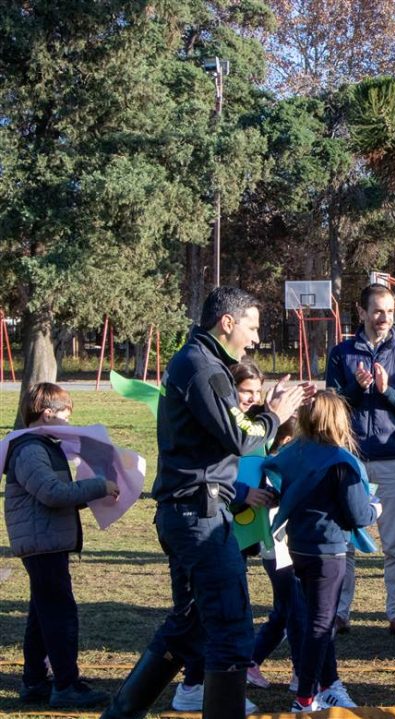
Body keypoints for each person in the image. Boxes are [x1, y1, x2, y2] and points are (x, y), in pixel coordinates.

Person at [100, 286, 306, 719]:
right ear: (226, 323)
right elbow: (241, 437)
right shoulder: (203, 368)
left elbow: (226, 434)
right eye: (251, 327)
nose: (255, 339)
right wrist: (274, 414)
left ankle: (119, 714)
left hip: (193, 512)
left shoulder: (202, 363)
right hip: (200, 517)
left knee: (189, 627)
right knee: (230, 630)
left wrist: (265, 413)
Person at [264, 391, 381, 712]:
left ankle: (330, 685)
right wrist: (377, 509)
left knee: (319, 620)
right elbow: (358, 514)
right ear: (339, 421)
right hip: (328, 553)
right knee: (320, 623)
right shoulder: (341, 461)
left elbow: (268, 466)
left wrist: (275, 495)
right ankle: (305, 697)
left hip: (297, 548)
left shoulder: (294, 452)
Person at [171, 358, 276, 714]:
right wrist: (244, 493)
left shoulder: (248, 418)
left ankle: (195, 684)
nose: (252, 399)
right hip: (207, 520)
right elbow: (220, 464)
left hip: (235, 526)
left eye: (257, 393)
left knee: (211, 611)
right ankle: (197, 686)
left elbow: (253, 451)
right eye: (246, 392)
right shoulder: (223, 418)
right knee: (212, 613)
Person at [5, 384, 119, 708]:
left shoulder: (42, 446)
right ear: (48, 413)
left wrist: (92, 495)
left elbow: (55, 495)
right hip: (42, 544)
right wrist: (98, 486)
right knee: (60, 615)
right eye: (67, 414)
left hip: (46, 540)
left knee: (42, 615)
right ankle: (66, 685)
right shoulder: (31, 450)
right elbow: (52, 493)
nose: (71, 421)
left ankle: (35, 682)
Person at [326, 283, 395, 639]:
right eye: (378, 311)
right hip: (350, 458)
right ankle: (340, 612)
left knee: (394, 543)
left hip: (392, 458)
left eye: (390, 312)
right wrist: (356, 388)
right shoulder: (341, 353)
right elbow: (332, 404)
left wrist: (386, 391)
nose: (384, 318)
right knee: (346, 540)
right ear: (363, 312)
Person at [245, 417, 305, 694]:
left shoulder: (274, 460)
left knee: (284, 608)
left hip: (278, 546)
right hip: (279, 546)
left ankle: (251, 659)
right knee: (295, 608)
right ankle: (300, 670)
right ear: (287, 441)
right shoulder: (276, 464)